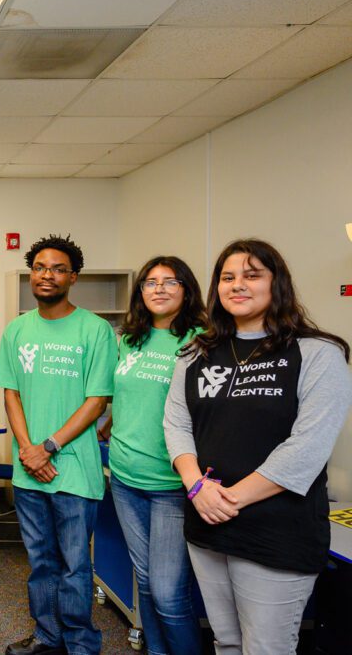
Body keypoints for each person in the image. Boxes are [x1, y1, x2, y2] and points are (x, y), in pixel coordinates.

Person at [164, 239, 352, 655]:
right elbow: (176, 424)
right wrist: (197, 487)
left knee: (266, 647)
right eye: (228, 277)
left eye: (252, 275)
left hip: (275, 529)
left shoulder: (318, 353)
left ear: (276, 283)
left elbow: (307, 446)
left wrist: (226, 499)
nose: (238, 285)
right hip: (206, 525)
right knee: (226, 641)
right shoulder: (195, 354)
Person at [0, 234, 116, 655]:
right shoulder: (17, 329)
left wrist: (47, 446)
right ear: (32, 274)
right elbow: (11, 394)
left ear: (73, 277)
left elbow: (97, 399)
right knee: (40, 563)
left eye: (58, 269)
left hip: (74, 471)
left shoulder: (96, 330)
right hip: (29, 472)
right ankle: (48, 638)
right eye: (41, 268)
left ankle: (82, 644)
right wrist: (28, 449)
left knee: (74, 566)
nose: (48, 275)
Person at [103, 256, 206, 655]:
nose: (159, 289)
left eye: (170, 281)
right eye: (150, 282)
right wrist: (111, 422)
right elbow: (126, 396)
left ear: (186, 289)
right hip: (126, 475)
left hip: (171, 483)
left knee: (168, 593)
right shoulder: (130, 337)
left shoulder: (201, 340)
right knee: (145, 580)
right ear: (140, 291)